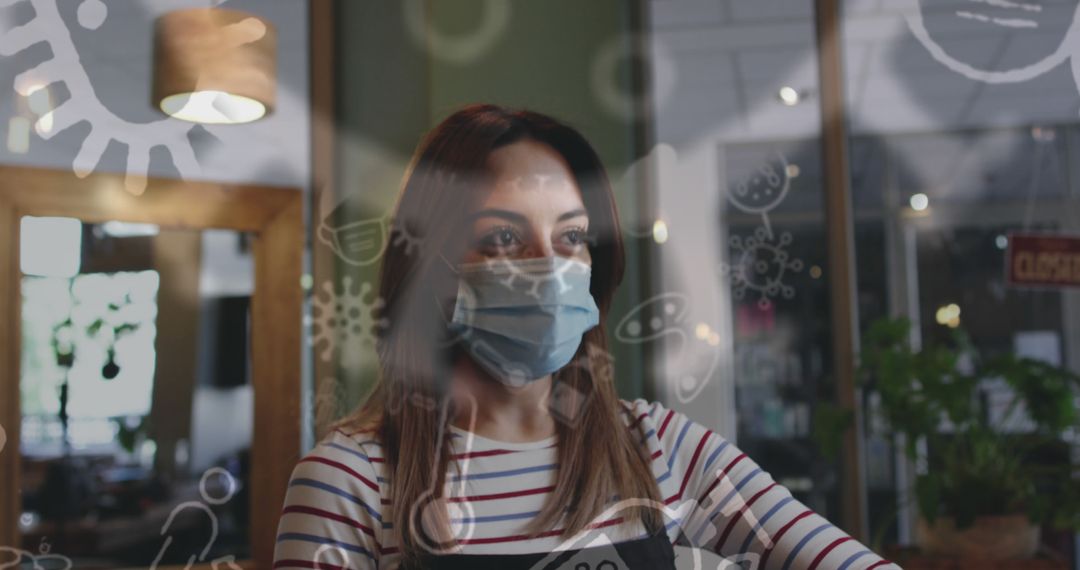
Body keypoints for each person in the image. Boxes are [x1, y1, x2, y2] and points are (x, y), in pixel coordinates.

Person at [273, 104, 898, 569]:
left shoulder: (656, 449)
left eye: (571, 236)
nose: (549, 265)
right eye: (502, 238)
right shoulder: (349, 481)